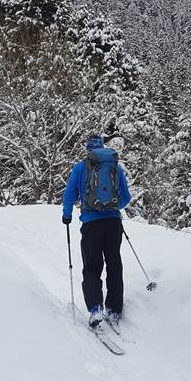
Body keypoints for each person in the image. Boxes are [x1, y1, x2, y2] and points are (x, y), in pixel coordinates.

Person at [62, 135, 131, 329]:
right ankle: (114, 309)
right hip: (113, 223)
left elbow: (69, 194)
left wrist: (67, 215)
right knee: (114, 263)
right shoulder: (114, 167)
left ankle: (95, 308)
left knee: (92, 266)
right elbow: (125, 199)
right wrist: (111, 206)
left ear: (88, 150)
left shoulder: (81, 168)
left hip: (91, 224)